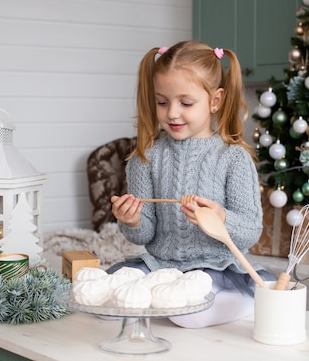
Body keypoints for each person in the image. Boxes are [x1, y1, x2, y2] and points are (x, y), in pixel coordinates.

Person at [110, 40, 275, 328]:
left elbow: (250, 232)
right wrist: (133, 220)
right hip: (161, 266)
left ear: (215, 100)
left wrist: (221, 218)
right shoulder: (144, 158)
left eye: (185, 103)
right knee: (110, 299)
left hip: (216, 269)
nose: (172, 112)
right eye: (162, 102)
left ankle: (243, 300)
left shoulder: (233, 158)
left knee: (186, 314)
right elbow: (143, 235)